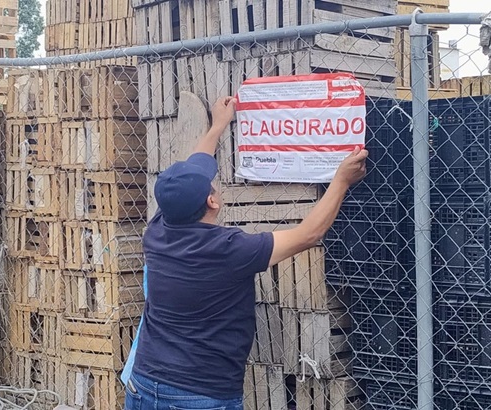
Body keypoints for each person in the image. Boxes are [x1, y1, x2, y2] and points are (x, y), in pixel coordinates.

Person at [124, 96, 368, 410]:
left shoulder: (158, 229)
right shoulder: (228, 248)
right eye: (212, 184)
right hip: (198, 396)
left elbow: (194, 169)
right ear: (212, 202)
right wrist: (341, 180)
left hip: (143, 382)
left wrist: (218, 125)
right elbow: (310, 234)